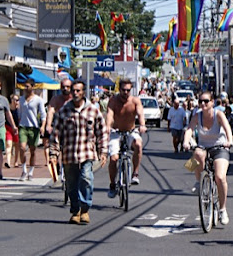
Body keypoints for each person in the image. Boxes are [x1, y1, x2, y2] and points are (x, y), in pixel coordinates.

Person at [50, 80, 108, 225]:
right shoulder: (64, 111)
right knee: (71, 184)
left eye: (78, 91)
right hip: (69, 154)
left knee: (86, 178)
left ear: (83, 92)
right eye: (73, 91)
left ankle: (85, 209)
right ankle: (75, 211)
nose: (75, 93)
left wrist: (103, 152)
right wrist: (53, 153)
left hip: (86, 153)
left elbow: (102, 132)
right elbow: (56, 133)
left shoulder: (93, 110)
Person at [182, 91, 233, 225]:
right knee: (196, 155)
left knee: (220, 177)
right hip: (203, 147)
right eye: (200, 101)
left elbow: (227, 128)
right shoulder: (197, 115)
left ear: (212, 102)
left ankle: (223, 209)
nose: (203, 104)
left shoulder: (218, 114)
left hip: (220, 147)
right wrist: (186, 142)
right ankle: (198, 181)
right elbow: (189, 129)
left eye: (206, 101)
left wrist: (230, 140)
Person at [106, 79, 147, 197]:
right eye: (123, 90)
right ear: (119, 89)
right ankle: (112, 184)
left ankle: (135, 173)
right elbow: (110, 114)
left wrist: (142, 125)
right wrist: (108, 126)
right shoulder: (113, 100)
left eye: (128, 90)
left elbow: (140, 114)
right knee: (114, 158)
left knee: (138, 144)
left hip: (131, 131)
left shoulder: (135, 101)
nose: (125, 92)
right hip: (116, 132)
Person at [18, 78, 47, 181]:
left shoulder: (38, 100)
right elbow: (19, 113)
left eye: (27, 86)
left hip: (34, 127)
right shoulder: (21, 99)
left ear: (32, 87)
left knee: (32, 150)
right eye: (24, 86)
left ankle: (31, 171)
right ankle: (24, 170)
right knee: (22, 148)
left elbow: (43, 114)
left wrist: (43, 126)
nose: (25, 88)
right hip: (23, 126)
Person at [5, 94, 21, 169]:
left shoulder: (19, 109)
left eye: (17, 100)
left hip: (17, 128)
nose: (16, 102)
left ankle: (16, 161)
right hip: (8, 128)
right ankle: (8, 162)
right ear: (11, 100)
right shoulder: (7, 108)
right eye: (15, 100)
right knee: (9, 144)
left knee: (17, 145)